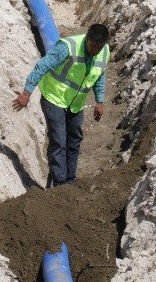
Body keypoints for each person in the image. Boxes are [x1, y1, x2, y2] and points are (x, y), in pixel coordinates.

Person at [12, 24, 110, 187]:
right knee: (58, 139)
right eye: (93, 46)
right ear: (87, 38)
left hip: (75, 103)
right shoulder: (68, 47)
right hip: (54, 97)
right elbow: (42, 65)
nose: (95, 51)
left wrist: (99, 101)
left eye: (98, 48)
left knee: (75, 138)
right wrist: (26, 92)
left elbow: (100, 76)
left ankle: (70, 180)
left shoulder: (104, 51)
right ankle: (60, 184)